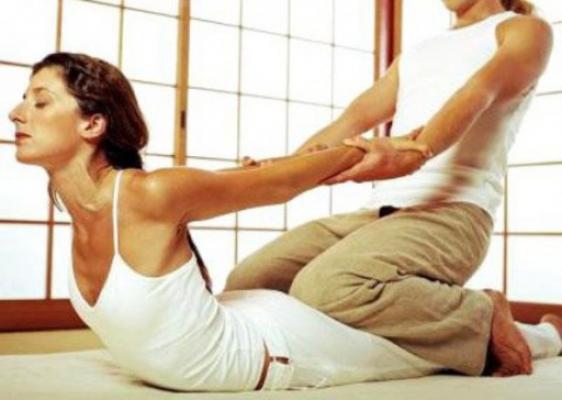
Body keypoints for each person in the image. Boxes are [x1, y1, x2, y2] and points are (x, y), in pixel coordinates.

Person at [8, 48, 560, 391]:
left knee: (378, 328)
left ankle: (526, 330)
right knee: (250, 278)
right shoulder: (74, 202)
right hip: (266, 309)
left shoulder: (147, 194)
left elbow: (274, 187)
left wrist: (374, 151)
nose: (16, 112)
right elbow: (267, 172)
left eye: (40, 101)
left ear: (93, 124)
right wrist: (285, 161)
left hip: (275, 348)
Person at [225, 0, 556, 378]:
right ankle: (482, 332)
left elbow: (480, 91)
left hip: (453, 211)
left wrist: (418, 151)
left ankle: (482, 315)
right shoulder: (419, 52)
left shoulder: (522, 30)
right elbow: (352, 120)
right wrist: (279, 168)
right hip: (377, 214)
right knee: (249, 282)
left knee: (326, 287)